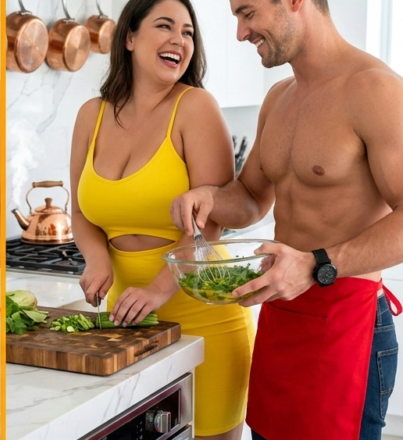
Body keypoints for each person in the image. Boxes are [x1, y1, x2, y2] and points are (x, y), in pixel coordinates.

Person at [170, 0, 403, 438]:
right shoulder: (280, 96)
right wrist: (209, 198)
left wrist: (317, 264)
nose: (241, 33)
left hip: (345, 326)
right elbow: (252, 197)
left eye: (247, 13)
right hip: (279, 315)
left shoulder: (377, 91)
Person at [69, 1, 253, 439]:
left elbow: (212, 224)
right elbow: (81, 211)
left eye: (188, 32)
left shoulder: (196, 108)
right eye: (165, 26)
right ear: (129, 39)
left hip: (203, 316)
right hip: (128, 322)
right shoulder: (90, 115)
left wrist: (157, 288)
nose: (180, 40)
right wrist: (97, 260)